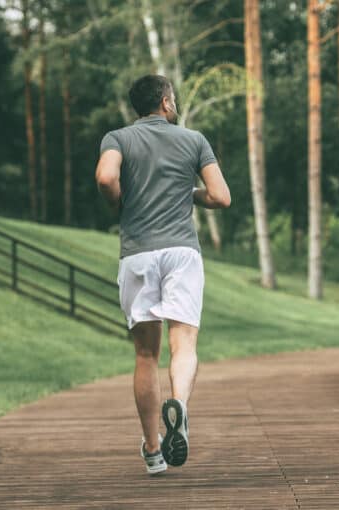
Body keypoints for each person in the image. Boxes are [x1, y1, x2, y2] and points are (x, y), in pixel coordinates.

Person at [95, 75, 231, 475]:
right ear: (167, 103)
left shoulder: (117, 138)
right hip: (181, 253)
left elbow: (106, 177)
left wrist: (119, 201)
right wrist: (186, 193)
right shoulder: (194, 140)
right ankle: (181, 409)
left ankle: (153, 452)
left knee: (145, 354)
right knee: (184, 343)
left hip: (138, 253)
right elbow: (221, 196)